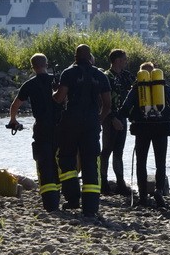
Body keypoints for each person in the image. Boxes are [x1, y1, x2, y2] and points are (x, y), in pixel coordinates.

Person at [53, 44, 111, 218]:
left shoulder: (68, 73)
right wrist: (99, 120)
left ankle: (72, 199)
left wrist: (52, 92)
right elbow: (107, 105)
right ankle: (91, 207)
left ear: (75, 56)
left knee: (67, 160)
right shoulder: (100, 75)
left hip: (71, 122)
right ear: (90, 56)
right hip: (91, 123)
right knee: (90, 162)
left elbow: (59, 98)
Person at [116, 61, 170, 208]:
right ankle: (158, 190)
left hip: (142, 129)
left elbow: (124, 110)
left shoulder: (137, 89)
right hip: (161, 129)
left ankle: (143, 196)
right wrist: (167, 117)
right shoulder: (163, 88)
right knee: (160, 162)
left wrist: (133, 117)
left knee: (141, 163)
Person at [7, 53, 62, 212]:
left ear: (33, 66)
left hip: (41, 127)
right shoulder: (56, 81)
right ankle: (60, 196)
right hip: (59, 127)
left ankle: (49, 202)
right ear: (46, 64)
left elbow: (15, 105)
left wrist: (13, 120)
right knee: (58, 161)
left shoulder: (29, 84)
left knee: (44, 162)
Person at [100, 48, 133, 196]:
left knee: (118, 151)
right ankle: (103, 182)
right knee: (106, 151)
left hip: (123, 117)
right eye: (124, 59)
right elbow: (103, 100)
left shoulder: (126, 76)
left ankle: (120, 183)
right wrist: (112, 118)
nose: (126, 62)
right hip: (109, 118)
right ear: (118, 60)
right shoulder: (106, 77)